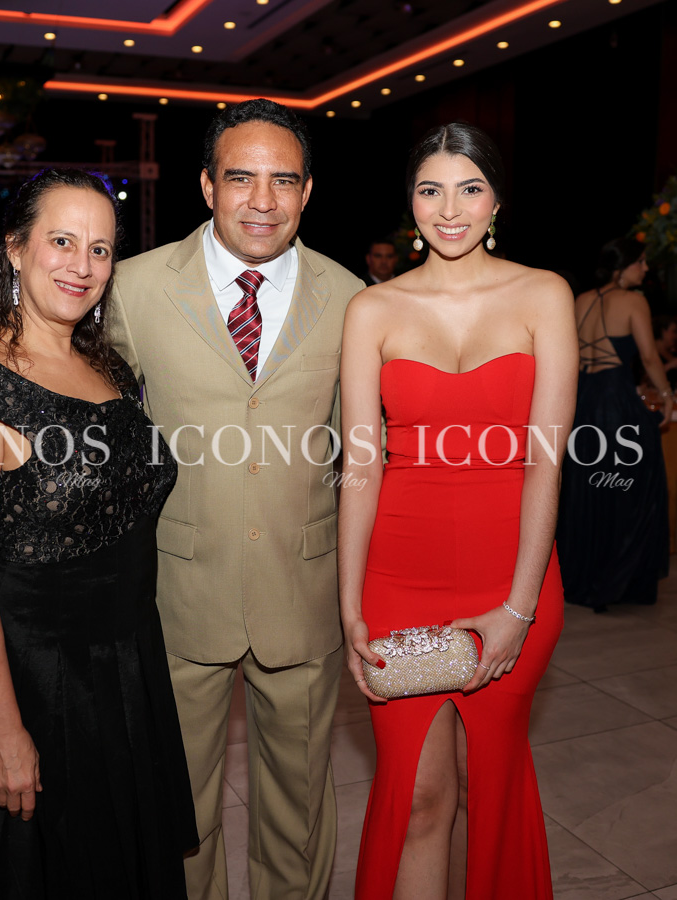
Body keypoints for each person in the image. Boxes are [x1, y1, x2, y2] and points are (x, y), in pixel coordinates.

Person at [108, 98, 364, 900]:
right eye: (240, 177)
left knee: (300, 807)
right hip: (178, 590)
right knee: (178, 806)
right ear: (206, 185)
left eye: (282, 180)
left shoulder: (351, 296)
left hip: (303, 586)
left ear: (307, 191)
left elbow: (359, 454)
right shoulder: (134, 288)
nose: (262, 200)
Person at [0, 168, 198, 899]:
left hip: (125, 666)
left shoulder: (102, 362)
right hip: (36, 681)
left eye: (100, 249)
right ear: (16, 249)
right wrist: (4, 733)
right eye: (63, 241)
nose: (82, 265)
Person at [338, 122, 578, 899]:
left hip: (512, 577)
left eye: (468, 189)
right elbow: (360, 468)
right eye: (430, 190)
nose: (449, 210)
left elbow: (544, 462)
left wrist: (517, 607)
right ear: (410, 202)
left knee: (488, 787)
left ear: (496, 200)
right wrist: (349, 610)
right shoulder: (371, 309)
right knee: (417, 795)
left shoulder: (542, 294)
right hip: (395, 582)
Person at [556, 238, 671, 611]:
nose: (646, 269)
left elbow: (568, 356)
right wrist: (667, 395)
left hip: (581, 402)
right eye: (642, 262)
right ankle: (618, 579)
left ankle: (584, 574)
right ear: (624, 265)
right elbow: (650, 357)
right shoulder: (634, 302)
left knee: (586, 488)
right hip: (617, 404)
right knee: (634, 486)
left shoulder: (580, 300)